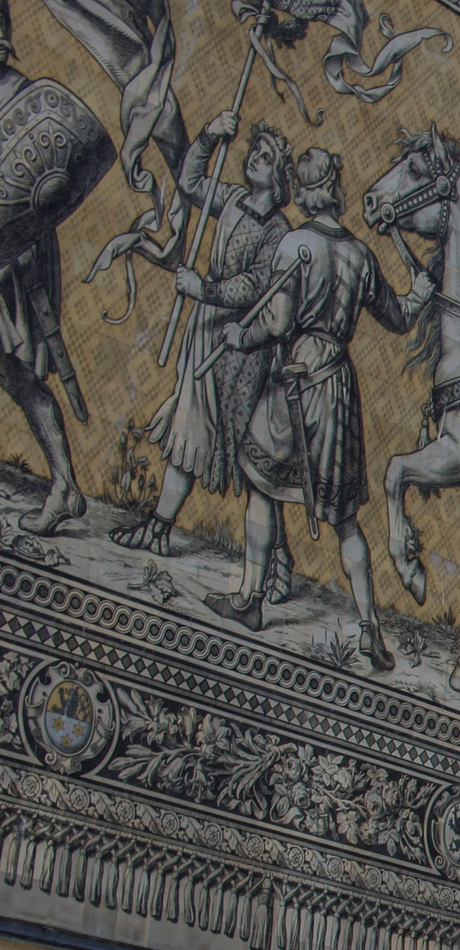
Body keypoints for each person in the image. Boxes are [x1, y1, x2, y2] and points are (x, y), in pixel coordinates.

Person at [187, 147, 432, 665]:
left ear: (301, 190)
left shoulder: (295, 244)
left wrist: (237, 335)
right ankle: (369, 629)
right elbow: (400, 316)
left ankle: (250, 599)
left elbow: (275, 324)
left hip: (294, 382)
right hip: (337, 389)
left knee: (261, 486)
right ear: (335, 190)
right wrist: (423, 291)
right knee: (345, 519)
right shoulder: (361, 255)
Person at [117, 110, 295, 599]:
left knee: (250, 456)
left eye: (263, 157)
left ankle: (277, 562)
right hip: (207, 332)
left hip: (240, 348)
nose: (252, 159)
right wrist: (209, 135)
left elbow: (256, 286)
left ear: (279, 179)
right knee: (189, 427)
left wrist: (204, 287)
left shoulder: (278, 231)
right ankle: (159, 526)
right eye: (253, 151)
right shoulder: (233, 198)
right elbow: (191, 182)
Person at [0, 10, 93, 536]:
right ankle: (65, 485)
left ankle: (64, 486)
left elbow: (32, 194)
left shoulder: (19, 96)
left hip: (14, 260)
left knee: (18, 374)